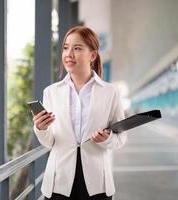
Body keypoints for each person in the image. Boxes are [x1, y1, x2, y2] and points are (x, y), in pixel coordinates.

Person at [32, 26, 128, 200]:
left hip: (97, 183)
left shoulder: (110, 92)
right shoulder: (51, 92)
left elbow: (120, 139)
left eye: (77, 48)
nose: (69, 54)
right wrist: (41, 128)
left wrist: (106, 139)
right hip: (58, 182)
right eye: (66, 48)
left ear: (92, 55)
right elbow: (49, 142)